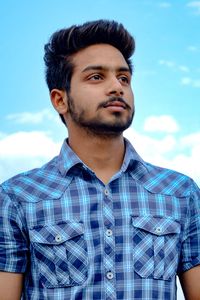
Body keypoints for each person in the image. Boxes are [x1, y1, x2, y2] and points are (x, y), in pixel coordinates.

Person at [0, 19, 199, 300]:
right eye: (96, 77)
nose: (116, 87)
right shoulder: (18, 197)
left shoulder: (180, 193)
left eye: (124, 78)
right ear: (60, 100)